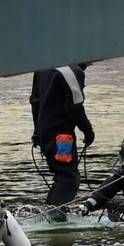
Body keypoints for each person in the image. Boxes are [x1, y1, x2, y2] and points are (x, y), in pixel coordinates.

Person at [29, 63, 96, 220]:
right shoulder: (71, 70)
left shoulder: (42, 67)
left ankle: (48, 215)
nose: (91, 64)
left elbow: (35, 101)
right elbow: (75, 106)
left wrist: (37, 132)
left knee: (62, 176)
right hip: (61, 137)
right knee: (69, 179)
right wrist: (88, 130)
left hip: (45, 133)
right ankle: (55, 221)